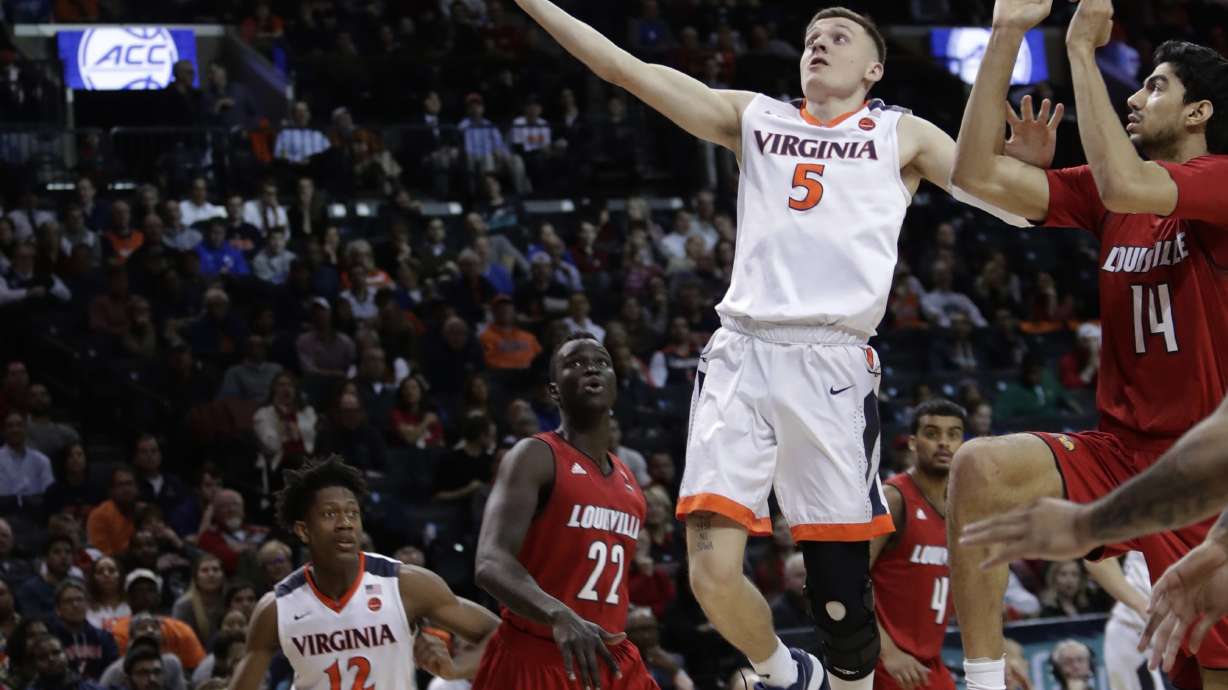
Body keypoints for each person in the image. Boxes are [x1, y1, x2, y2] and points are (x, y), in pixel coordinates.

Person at [505, 2, 1058, 688]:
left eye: (839, 37)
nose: (819, 44)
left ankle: (843, 676)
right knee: (709, 576)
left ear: (874, 66)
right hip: (740, 353)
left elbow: (1012, 205)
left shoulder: (901, 134)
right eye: (811, 38)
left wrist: (1027, 175)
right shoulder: (757, 117)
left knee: (841, 605)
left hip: (831, 364)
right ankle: (787, 675)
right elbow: (624, 69)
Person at [946, 0, 1228, 687]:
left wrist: (1080, 48)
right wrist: (1009, 31)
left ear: (1200, 114)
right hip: (1118, 447)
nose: (1135, 97)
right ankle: (984, 680)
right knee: (979, 469)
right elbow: (972, 175)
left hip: (1204, 468)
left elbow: (1125, 181)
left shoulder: (1220, 180)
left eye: (1155, 86)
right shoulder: (1110, 199)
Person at [472, 333, 656, 690]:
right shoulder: (534, 456)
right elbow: (489, 562)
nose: (591, 367)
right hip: (540, 655)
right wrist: (559, 614)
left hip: (612, 658)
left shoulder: (629, 481)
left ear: (616, 385)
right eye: (575, 363)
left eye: (602, 362)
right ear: (555, 391)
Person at [227, 455, 500, 690]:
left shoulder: (404, 584)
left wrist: (456, 669)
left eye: (352, 513)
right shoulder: (277, 608)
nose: (345, 523)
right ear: (303, 530)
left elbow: (500, 635)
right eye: (330, 514)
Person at [869, 399, 964, 690]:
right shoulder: (894, 498)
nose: (944, 443)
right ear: (913, 442)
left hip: (928, 661)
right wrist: (889, 653)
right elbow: (847, 582)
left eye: (954, 434)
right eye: (933, 434)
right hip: (885, 661)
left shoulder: (961, 507)